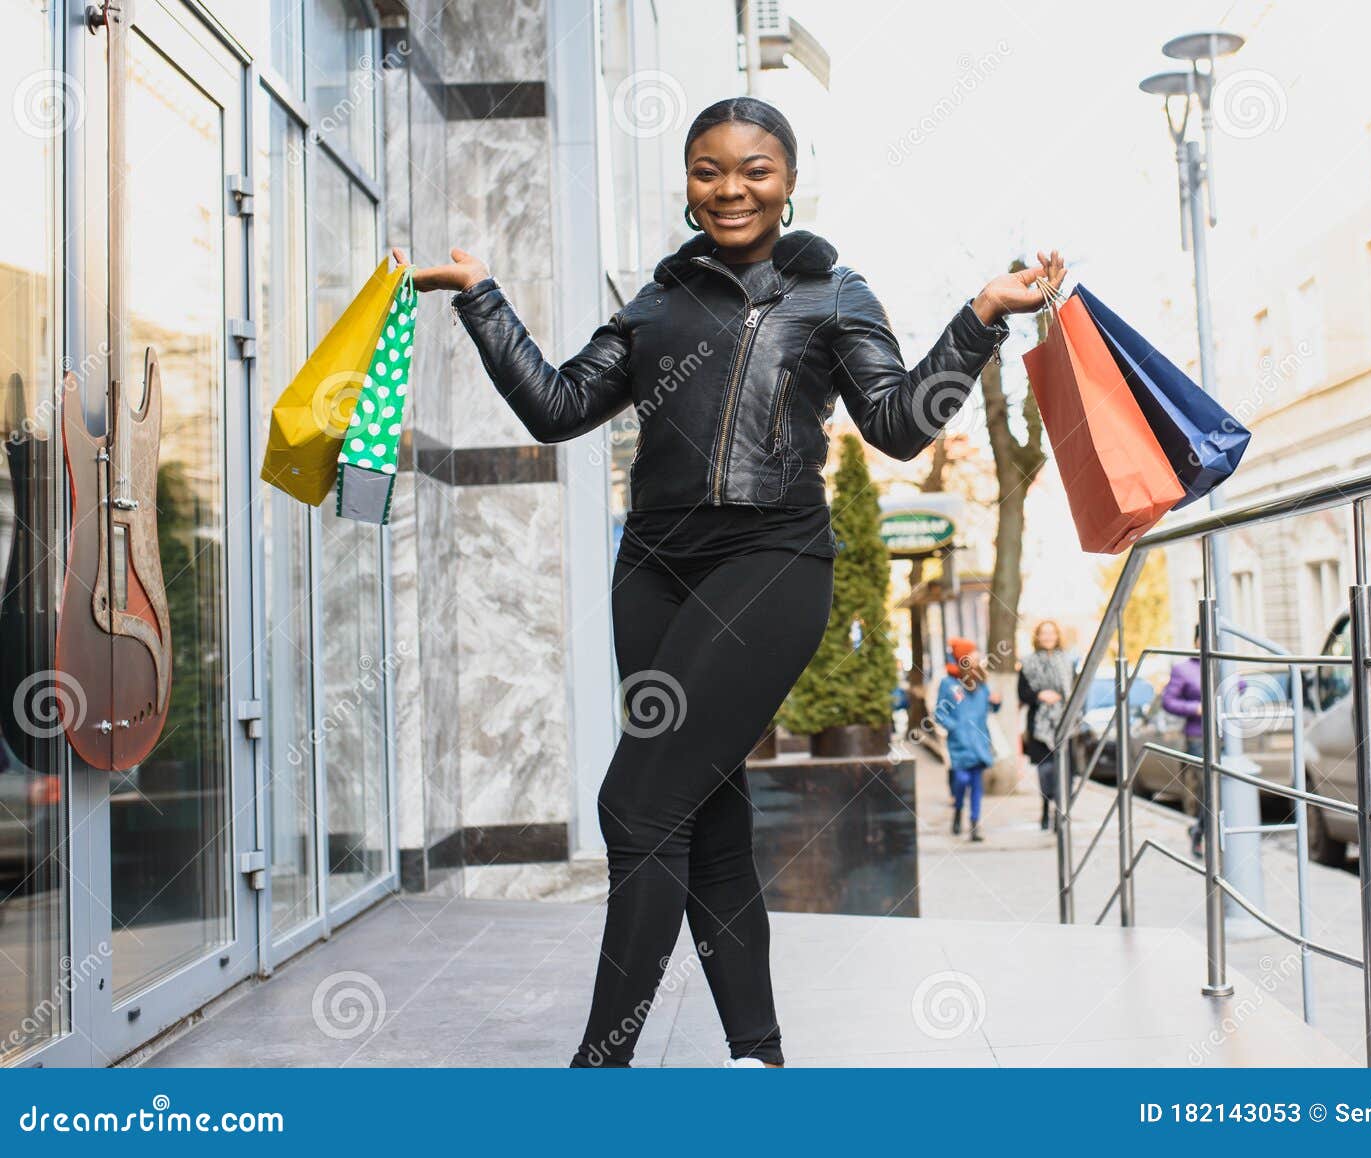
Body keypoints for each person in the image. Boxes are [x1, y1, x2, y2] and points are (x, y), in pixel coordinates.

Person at [396, 95, 1066, 1069]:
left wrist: (980, 318)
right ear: (686, 182)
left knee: (634, 805)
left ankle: (601, 1068)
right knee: (702, 817)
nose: (730, 188)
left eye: (754, 168)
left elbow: (896, 425)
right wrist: (480, 295)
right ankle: (757, 1057)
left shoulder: (833, 294)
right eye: (708, 169)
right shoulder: (658, 302)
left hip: (770, 563)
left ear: (788, 180)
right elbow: (557, 406)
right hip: (655, 573)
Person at [936, 637, 1002, 842]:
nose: (977, 659)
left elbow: (990, 706)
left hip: (980, 742)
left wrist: (997, 702)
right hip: (959, 743)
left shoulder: (982, 682)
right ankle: (958, 809)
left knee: (976, 784)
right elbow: (939, 713)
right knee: (961, 780)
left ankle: (974, 824)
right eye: (972, 655)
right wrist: (954, 727)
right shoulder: (948, 683)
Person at [1017, 619, 1077, 832]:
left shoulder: (1068, 661)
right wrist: (1040, 695)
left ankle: (1061, 814)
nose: (1048, 637)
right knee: (1046, 772)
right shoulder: (1028, 663)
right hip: (1039, 726)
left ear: (1057, 636)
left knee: (1065, 772)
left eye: (1052, 633)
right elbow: (1022, 693)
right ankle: (1045, 808)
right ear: (1038, 637)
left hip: (1064, 723)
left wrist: (1061, 699)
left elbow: (1075, 692)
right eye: (1044, 633)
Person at [1162, 626, 1206, 858]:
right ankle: (1199, 833)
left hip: (1224, 736)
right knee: (1207, 789)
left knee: (1224, 789)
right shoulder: (1183, 669)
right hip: (1198, 736)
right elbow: (1168, 701)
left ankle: (1199, 830)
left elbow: (1240, 686)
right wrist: (1195, 708)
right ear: (1196, 641)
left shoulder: (1224, 664)